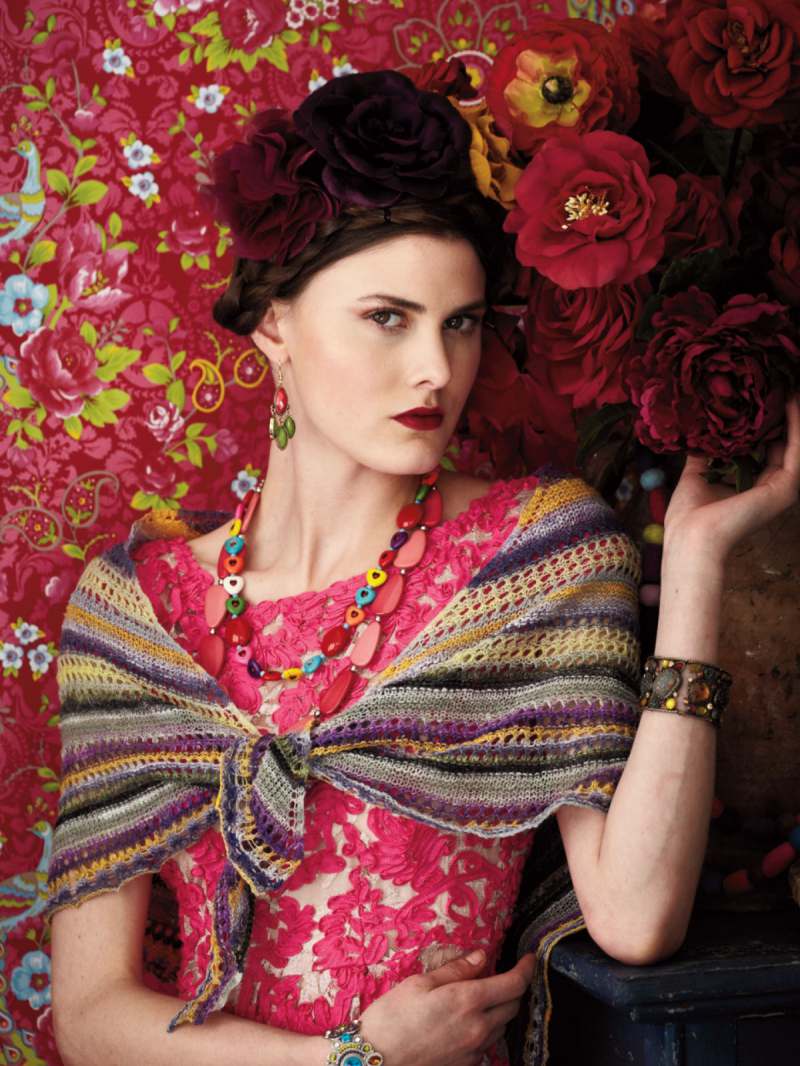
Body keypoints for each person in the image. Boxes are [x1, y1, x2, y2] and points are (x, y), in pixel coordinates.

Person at [46, 67, 800, 1066]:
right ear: (273, 322)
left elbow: (633, 919)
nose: (438, 369)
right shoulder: (138, 614)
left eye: (462, 322)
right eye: (387, 317)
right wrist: (351, 1059)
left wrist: (697, 561)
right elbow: (90, 1015)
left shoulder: (533, 560)